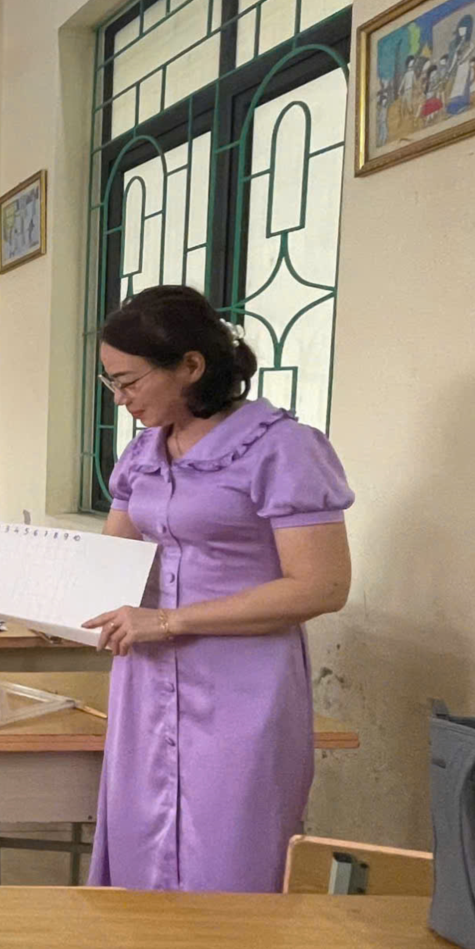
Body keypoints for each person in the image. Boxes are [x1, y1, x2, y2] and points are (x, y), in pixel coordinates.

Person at [83, 285, 353, 893]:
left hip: (240, 683)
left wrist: (170, 621)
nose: (120, 399)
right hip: (146, 680)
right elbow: (110, 563)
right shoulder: (143, 453)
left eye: (129, 382)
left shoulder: (282, 448)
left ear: (191, 366)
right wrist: (8, 590)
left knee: (231, 849)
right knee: (140, 837)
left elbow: (322, 586)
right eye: (111, 384)